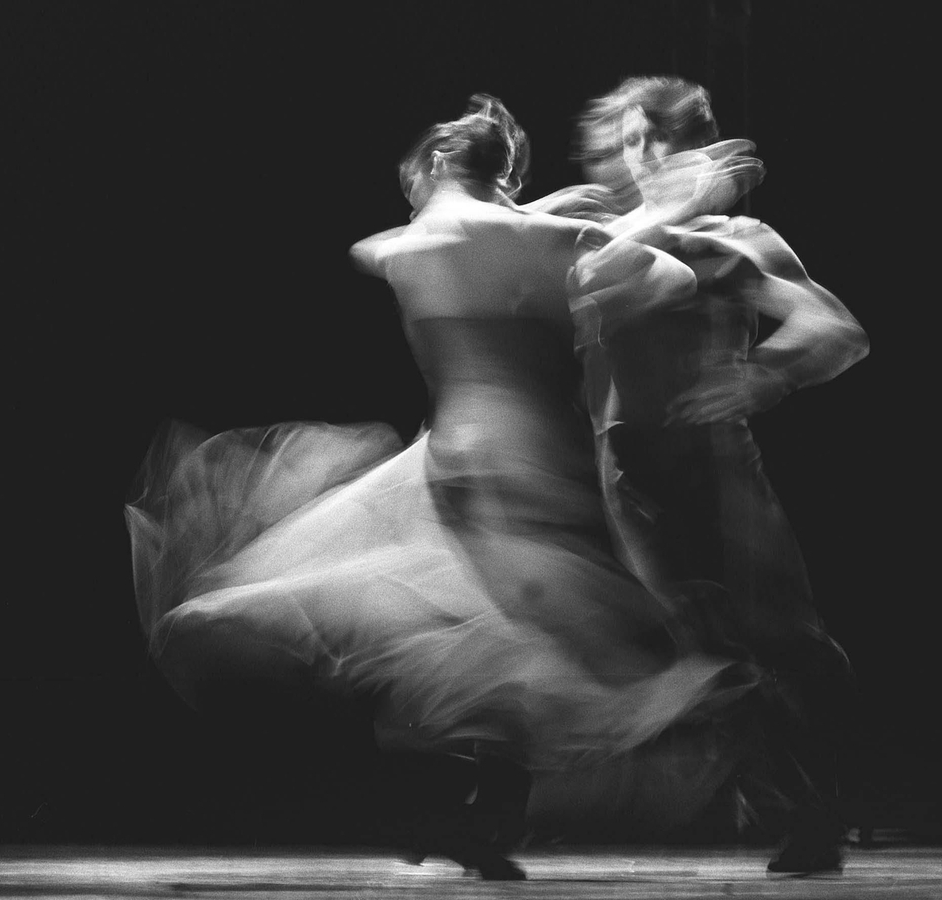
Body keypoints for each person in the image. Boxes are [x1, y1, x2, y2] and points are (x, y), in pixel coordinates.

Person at [125, 94, 752, 880]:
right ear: (503, 177)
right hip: (525, 451)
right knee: (541, 639)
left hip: (448, 455)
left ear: (431, 168)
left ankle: (468, 818)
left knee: (488, 636)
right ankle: (487, 810)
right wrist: (650, 217)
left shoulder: (409, 244)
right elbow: (666, 279)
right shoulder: (536, 238)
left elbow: (391, 242)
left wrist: (524, 211)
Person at [552, 75, 872, 875]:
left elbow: (835, 326)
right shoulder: (603, 230)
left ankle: (816, 806)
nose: (646, 153)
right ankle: (784, 793)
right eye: (632, 140)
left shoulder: (735, 238)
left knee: (786, 642)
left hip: (715, 466)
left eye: (661, 136)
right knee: (695, 651)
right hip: (625, 475)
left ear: (695, 140)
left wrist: (768, 373)